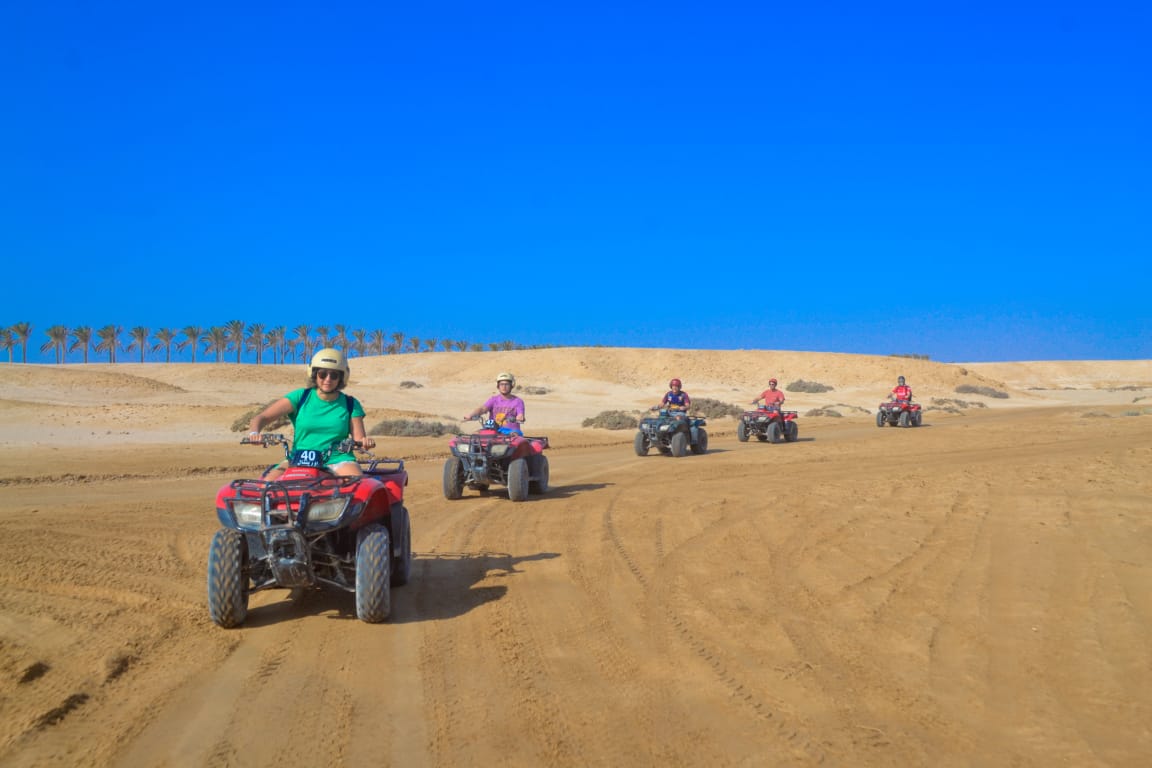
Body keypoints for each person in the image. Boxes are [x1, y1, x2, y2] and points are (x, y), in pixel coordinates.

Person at [247, 348, 375, 479]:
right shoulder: (300, 397)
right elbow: (262, 417)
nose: (328, 379)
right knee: (265, 486)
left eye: (334, 375)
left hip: (338, 460)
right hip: (299, 458)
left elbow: (359, 438)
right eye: (322, 374)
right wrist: (254, 433)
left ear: (342, 377)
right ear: (314, 374)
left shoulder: (351, 404)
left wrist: (364, 442)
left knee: (356, 485)